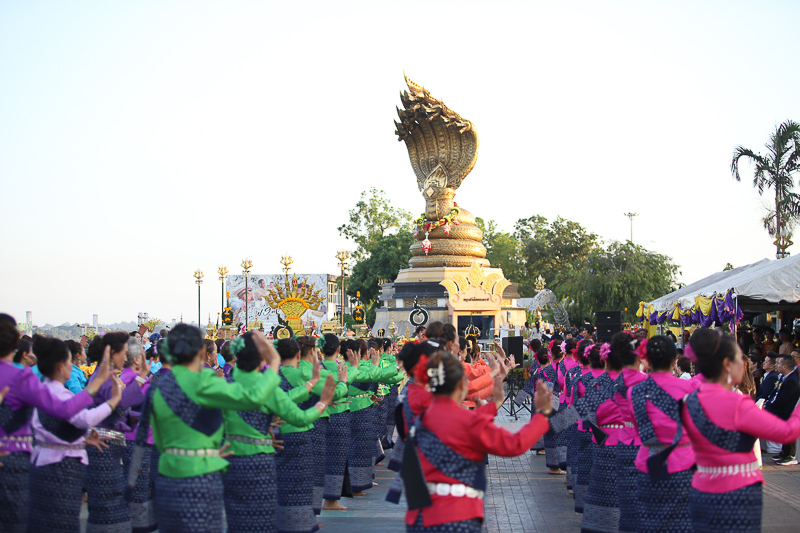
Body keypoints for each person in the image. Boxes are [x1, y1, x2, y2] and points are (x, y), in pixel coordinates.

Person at [143, 324, 282, 532]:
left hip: (167, 476)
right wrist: (274, 364)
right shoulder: (204, 383)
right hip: (200, 477)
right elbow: (253, 398)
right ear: (201, 351)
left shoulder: (159, 385)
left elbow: (161, 440)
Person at [403, 350, 553, 532]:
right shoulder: (467, 421)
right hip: (457, 516)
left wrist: (492, 406)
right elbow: (515, 444)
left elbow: (453, 427)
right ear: (462, 386)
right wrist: (542, 415)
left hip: (420, 516)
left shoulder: (419, 417)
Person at [681, 328, 800, 532]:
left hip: (701, 486)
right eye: (739, 359)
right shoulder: (737, 403)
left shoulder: (688, 401)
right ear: (727, 364)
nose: (743, 365)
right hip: (737, 490)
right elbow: (787, 432)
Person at [0, 318, 113, 533]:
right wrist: (98, 385)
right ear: (15, 344)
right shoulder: (20, 376)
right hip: (13, 461)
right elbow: (64, 410)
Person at [223, 332, 337, 532]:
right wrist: (322, 403)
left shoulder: (225, 383)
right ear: (261, 357)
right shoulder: (267, 387)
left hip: (232, 461)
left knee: (238, 519)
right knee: (263, 518)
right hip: (260, 462)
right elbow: (299, 418)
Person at [28, 335, 122, 533]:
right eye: (70, 361)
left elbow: (53, 428)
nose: (72, 366)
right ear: (61, 366)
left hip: (46, 462)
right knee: (61, 522)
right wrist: (113, 401)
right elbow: (84, 419)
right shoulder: (59, 393)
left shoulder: (42, 389)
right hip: (60, 468)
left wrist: (80, 440)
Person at [629, 335, 699, 532]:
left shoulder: (635, 391)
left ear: (647, 360)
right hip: (684, 462)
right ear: (674, 360)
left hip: (648, 462)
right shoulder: (689, 388)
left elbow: (637, 427)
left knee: (650, 521)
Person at [85, 333, 150, 533]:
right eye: (123, 353)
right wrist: (142, 377)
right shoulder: (103, 378)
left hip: (110, 448)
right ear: (112, 354)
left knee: (112, 505)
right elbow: (120, 404)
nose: (125, 358)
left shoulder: (107, 376)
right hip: (103, 448)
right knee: (108, 507)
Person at [581, 333, 626, 533]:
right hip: (630, 443)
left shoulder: (594, 384)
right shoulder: (633, 383)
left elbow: (585, 416)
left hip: (602, 442)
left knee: (602, 491)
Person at [764, 354, 800, 465]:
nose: (776, 365)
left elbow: (783, 399)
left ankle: (788, 453)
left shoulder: (792, 380)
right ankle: (784, 452)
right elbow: (775, 393)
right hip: (780, 408)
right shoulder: (782, 377)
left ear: (785, 366)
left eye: (779, 363)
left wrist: (769, 406)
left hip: (786, 411)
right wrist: (768, 403)